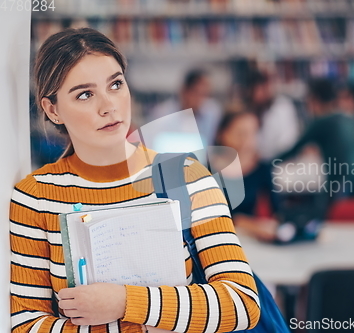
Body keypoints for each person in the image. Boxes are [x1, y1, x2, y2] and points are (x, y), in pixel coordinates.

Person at [10, 28, 260, 333]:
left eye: (115, 84)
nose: (108, 106)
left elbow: (242, 303)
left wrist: (124, 301)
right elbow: (26, 323)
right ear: (53, 110)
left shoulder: (187, 177)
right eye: (85, 94)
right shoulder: (35, 197)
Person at [276, 78, 354, 202]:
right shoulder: (352, 118)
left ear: (314, 101)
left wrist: (265, 165)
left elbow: (294, 150)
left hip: (343, 187)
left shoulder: (322, 122)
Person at [213, 111, 280, 241]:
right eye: (241, 134)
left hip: (255, 243)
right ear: (223, 134)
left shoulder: (262, 168)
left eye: (252, 133)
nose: (247, 141)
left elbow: (276, 211)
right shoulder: (207, 171)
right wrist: (242, 222)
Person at [148, 68, 222, 147]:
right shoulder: (162, 114)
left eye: (205, 94)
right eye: (197, 93)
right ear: (184, 91)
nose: (200, 99)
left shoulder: (212, 112)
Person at [242, 69, 301, 161]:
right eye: (257, 90)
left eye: (264, 88)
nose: (262, 94)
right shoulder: (248, 111)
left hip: (281, 162)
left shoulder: (282, 107)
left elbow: (287, 141)